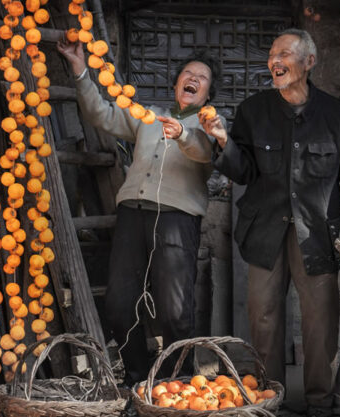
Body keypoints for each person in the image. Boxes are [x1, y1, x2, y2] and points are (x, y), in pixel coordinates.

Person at [200, 29, 340, 416]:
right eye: (272, 54)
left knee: (320, 320)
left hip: (317, 232)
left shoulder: (337, 115)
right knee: (263, 317)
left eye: (285, 54)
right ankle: (269, 398)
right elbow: (242, 171)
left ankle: (319, 402)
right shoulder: (253, 111)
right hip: (265, 230)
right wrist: (223, 142)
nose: (274, 61)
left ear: (309, 62)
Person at [57, 39, 223, 385]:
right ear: (177, 83)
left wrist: (181, 133)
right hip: (132, 213)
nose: (192, 78)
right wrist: (80, 70)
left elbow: (203, 153)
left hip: (177, 219)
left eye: (201, 77)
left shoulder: (211, 127)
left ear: (207, 93)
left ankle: (177, 384)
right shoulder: (149, 117)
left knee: (175, 312)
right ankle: (136, 379)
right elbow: (100, 114)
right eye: (187, 74)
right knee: (119, 304)